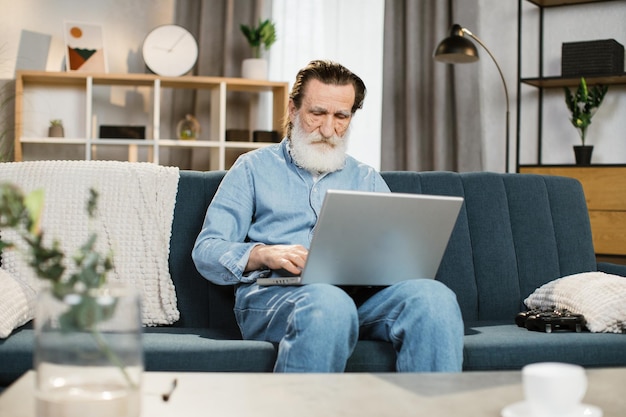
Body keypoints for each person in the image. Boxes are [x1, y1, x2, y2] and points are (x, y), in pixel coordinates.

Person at [192, 59, 464, 372]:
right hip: (277, 297)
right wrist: (264, 253)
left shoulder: (365, 177)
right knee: (328, 304)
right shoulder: (252, 168)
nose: (328, 129)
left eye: (341, 116)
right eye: (317, 113)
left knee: (434, 298)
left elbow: (399, 254)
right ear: (293, 110)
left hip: (360, 299)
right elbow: (207, 250)